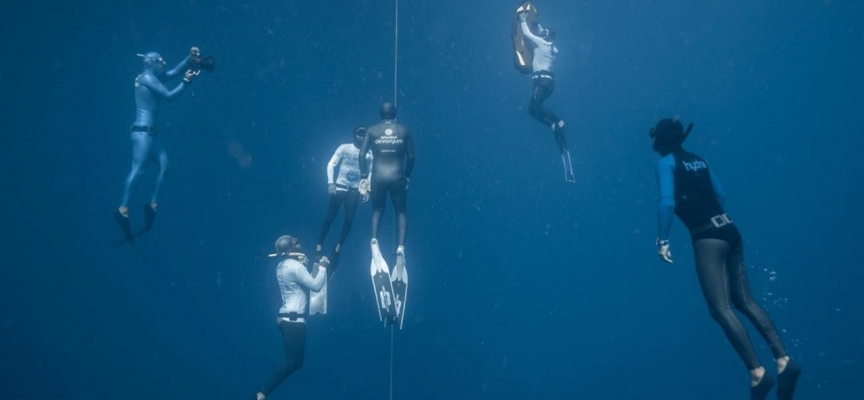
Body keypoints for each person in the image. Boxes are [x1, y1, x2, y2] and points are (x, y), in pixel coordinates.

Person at [650, 118, 801, 400]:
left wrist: (663, 240)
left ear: (662, 139)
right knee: (746, 301)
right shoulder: (700, 159)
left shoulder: (665, 163)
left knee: (720, 308)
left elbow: (667, 201)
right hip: (730, 230)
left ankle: (758, 374)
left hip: (708, 238)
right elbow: (722, 193)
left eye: (654, 136)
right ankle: (783, 360)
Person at [113, 47, 203, 244]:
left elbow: (172, 73)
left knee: (164, 167)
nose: (163, 65)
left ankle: (152, 204)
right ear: (152, 63)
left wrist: (189, 59)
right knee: (139, 169)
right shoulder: (146, 78)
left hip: (150, 134)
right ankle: (123, 208)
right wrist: (186, 82)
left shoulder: (151, 77)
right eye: (160, 62)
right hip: (143, 133)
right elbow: (170, 96)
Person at [252, 235, 327, 400]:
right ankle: (262, 393)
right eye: (296, 244)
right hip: (295, 321)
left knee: (294, 361)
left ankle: (263, 392)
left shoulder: (281, 265)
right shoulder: (295, 267)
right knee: (294, 362)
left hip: (284, 319)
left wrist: (302, 264)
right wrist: (322, 268)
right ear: (292, 249)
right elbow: (315, 285)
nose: (300, 245)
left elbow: (295, 281)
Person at [518, 10, 574, 183]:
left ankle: (559, 121)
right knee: (531, 109)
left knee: (535, 108)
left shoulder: (541, 43)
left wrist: (522, 20)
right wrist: (540, 24)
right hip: (549, 83)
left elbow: (527, 33)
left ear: (546, 36)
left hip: (541, 81)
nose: (541, 34)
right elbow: (547, 36)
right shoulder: (552, 46)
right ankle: (552, 125)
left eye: (543, 33)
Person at [358, 102, 414, 256]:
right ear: (394, 113)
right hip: (397, 177)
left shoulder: (372, 130)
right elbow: (411, 157)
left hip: (377, 177)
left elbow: (361, 155)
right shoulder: (404, 130)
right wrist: (407, 175)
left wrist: (363, 176)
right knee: (401, 211)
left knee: (377, 210)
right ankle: (401, 247)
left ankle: (374, 240)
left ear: (380, 114)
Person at [315, 126, 373, 273]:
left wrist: (367, 189)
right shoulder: (344, 148)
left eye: (364, 134)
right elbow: (330, 164)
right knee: (330, 217)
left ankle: (338, 245)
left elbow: (370, 172)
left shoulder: (369, 154)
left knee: (349, 220)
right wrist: (330, 183)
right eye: (359, 134)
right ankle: (319, 246)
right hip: (339, 188)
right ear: (354, 135)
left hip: (354, 191)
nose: (361, 137)